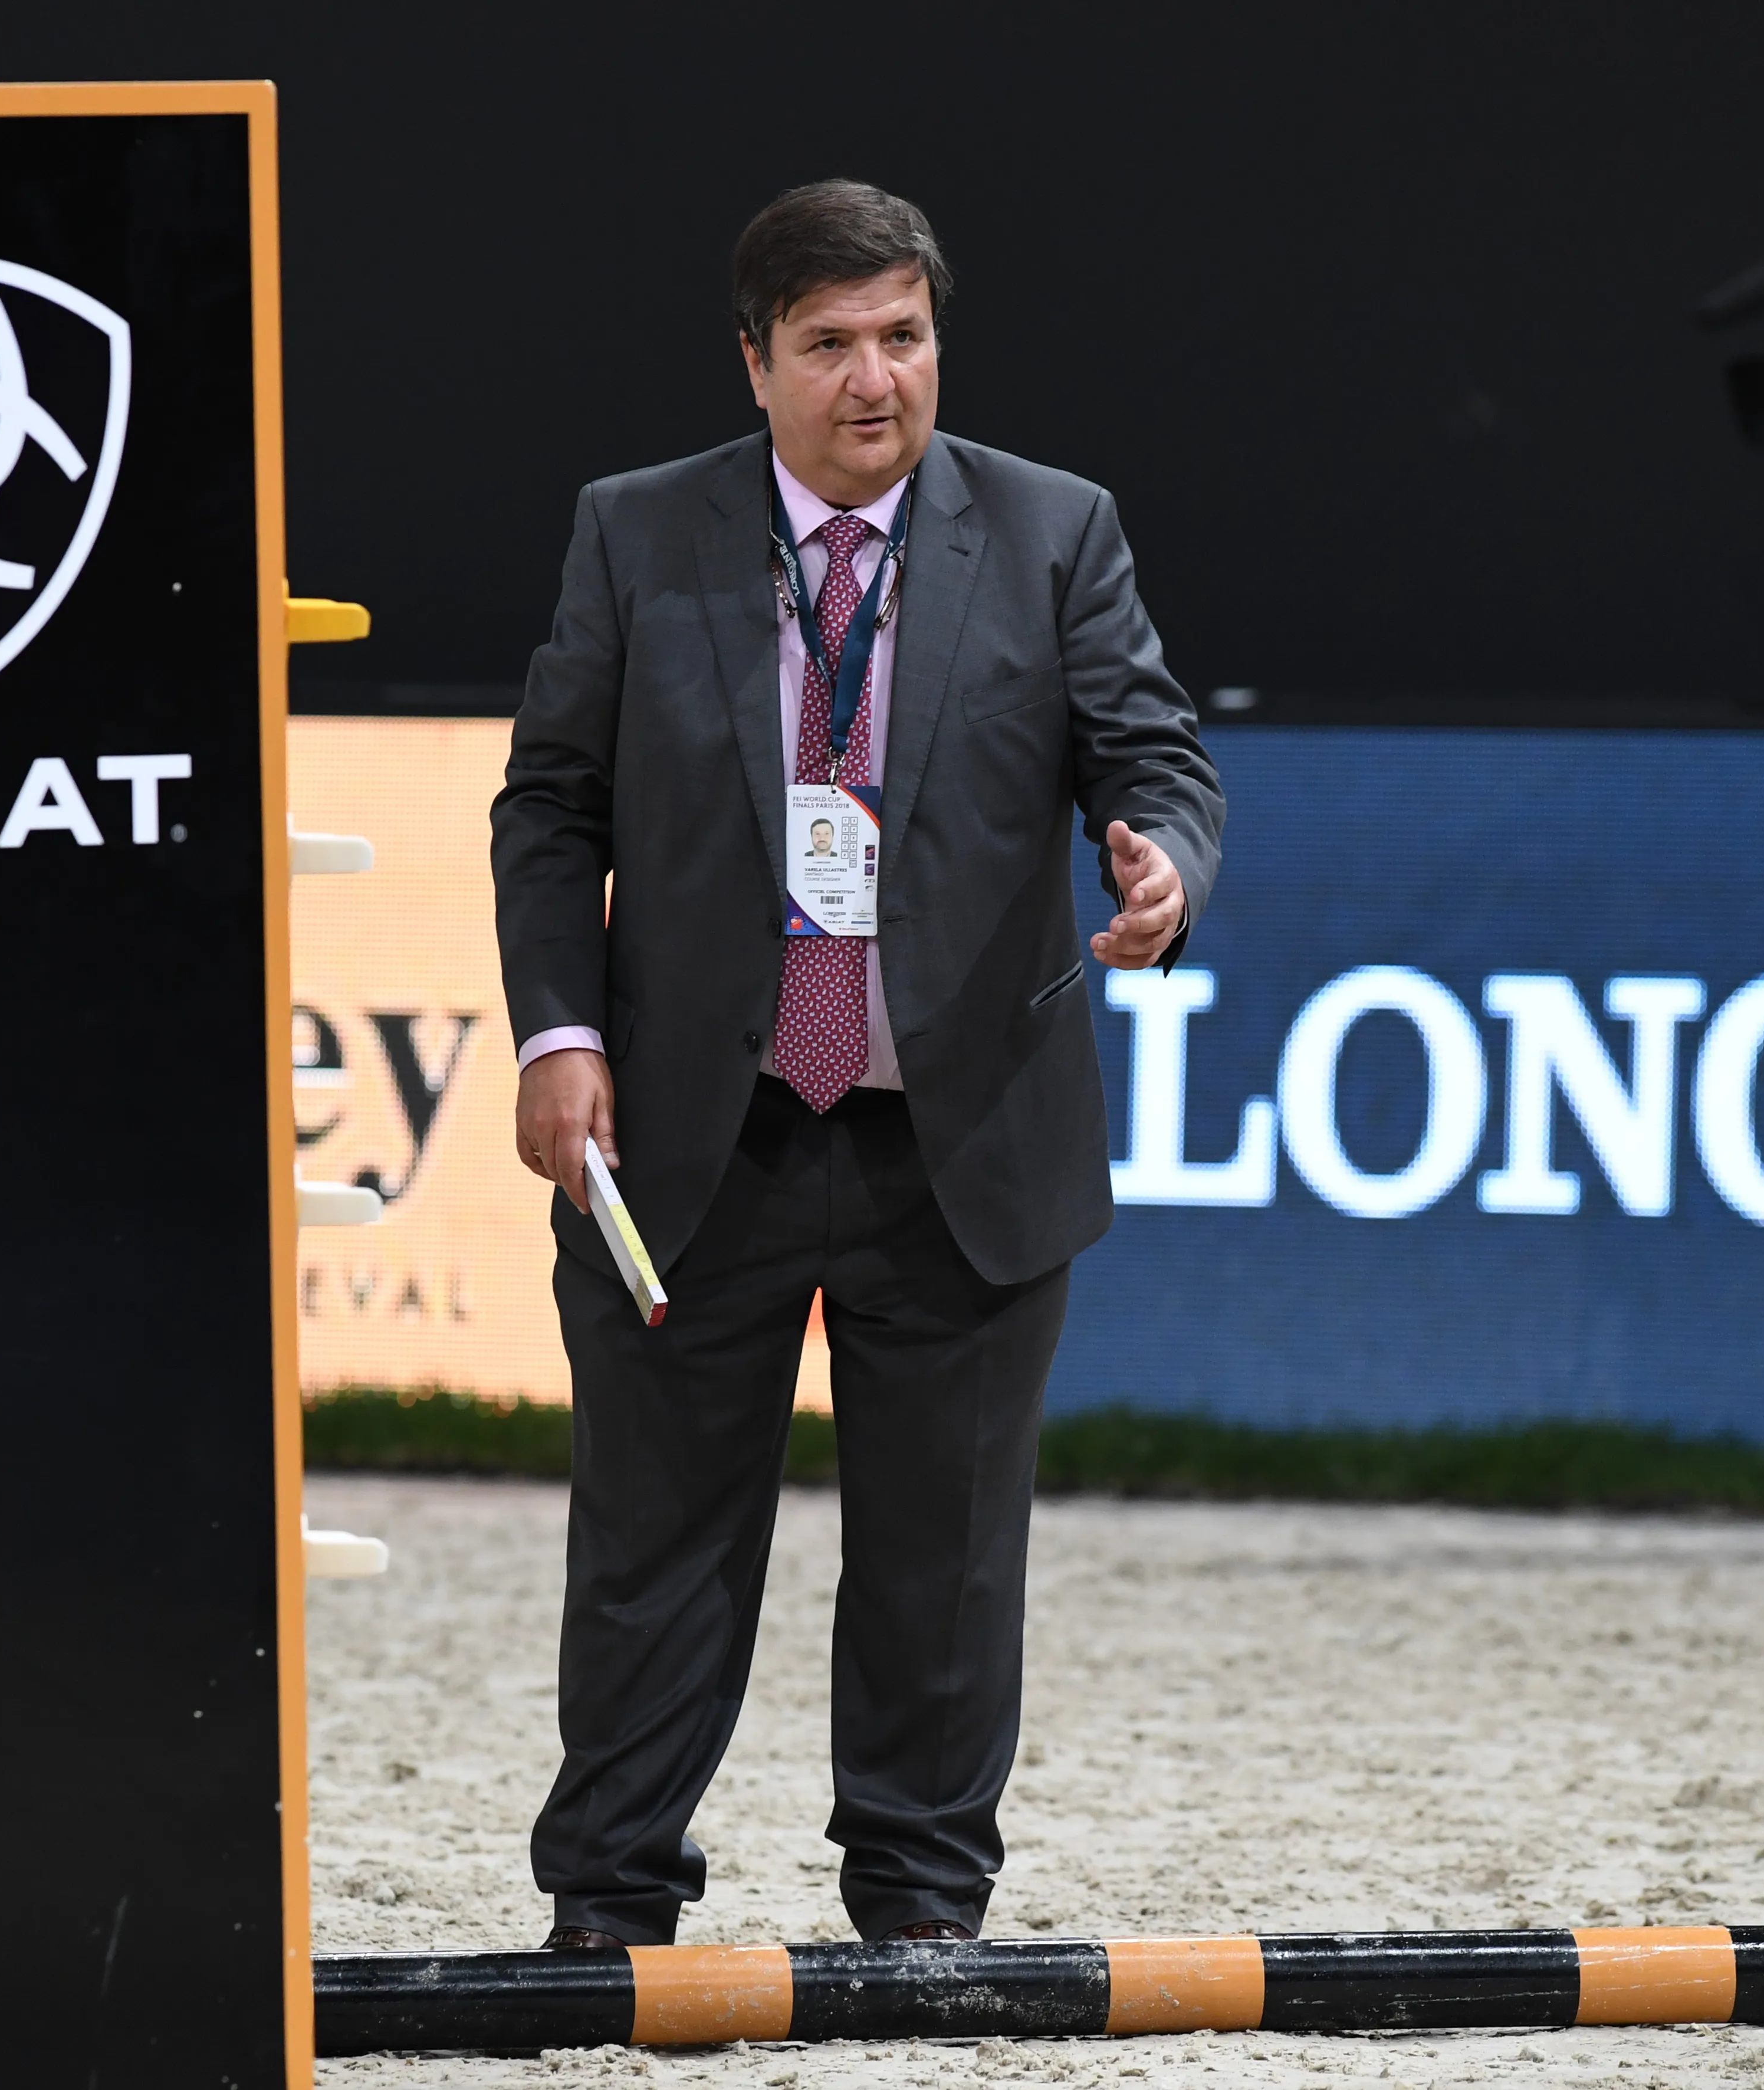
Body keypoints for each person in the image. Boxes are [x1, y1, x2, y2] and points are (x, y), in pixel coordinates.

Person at [492, 179, 1224, 1947]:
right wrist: (559, 1031)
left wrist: (1164, 863)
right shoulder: (634, 531)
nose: (873, 377)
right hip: (691, 1136)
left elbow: (1155, 750)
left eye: (902, 333)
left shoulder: (1057, 531)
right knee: (654, 1552)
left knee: (945, 1562)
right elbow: (550, 804)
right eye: (827, 342)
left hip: (959, 1137)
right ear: (753, 362)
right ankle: (610, 1899)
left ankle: (919, 1901)